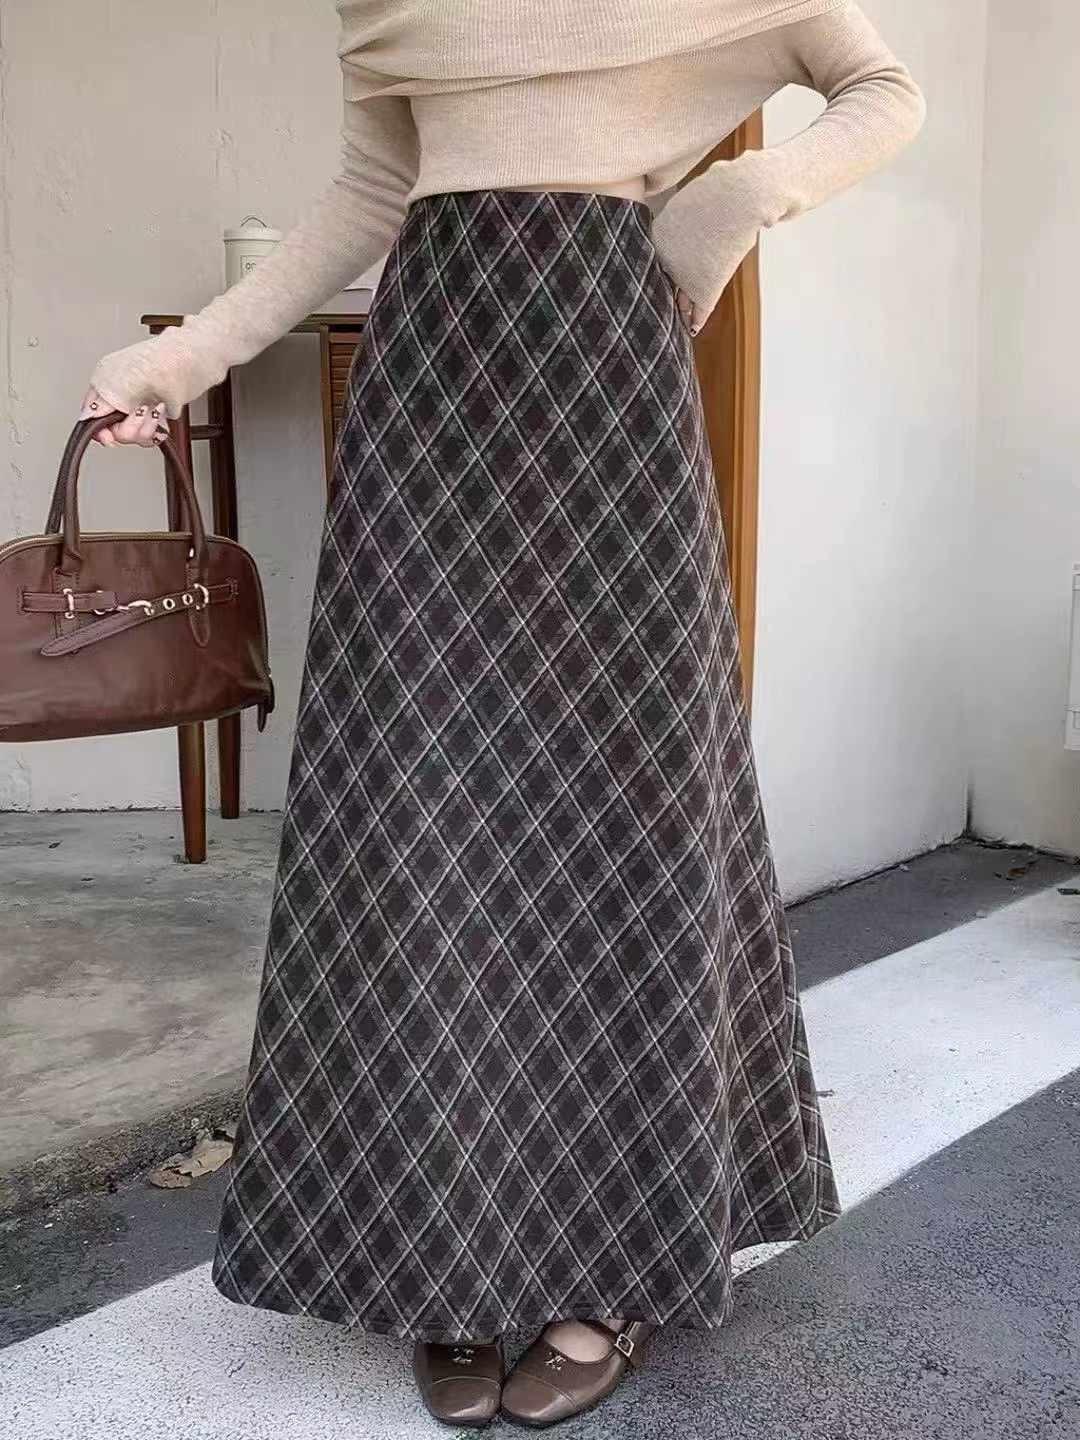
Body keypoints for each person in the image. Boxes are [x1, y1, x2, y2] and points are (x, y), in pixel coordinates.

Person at [79, 0, 925, 1428]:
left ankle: (617, 1263)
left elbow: (883, 88)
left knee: (622, 802)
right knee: (417, 804)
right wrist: (180, 357)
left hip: (609, 381)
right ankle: (449, 1255)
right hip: (432, 383)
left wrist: (737, 197)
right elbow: (368, 194)